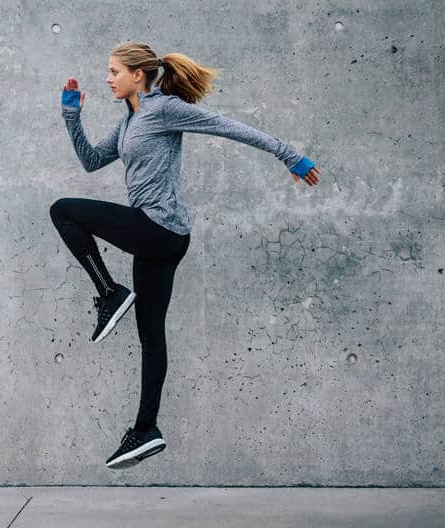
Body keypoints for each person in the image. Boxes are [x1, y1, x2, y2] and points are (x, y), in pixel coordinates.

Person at [50, 42, 321, 469]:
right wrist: (71, 116)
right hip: (160, 237)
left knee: (63, 210)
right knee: (150, 336)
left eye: (114, 71)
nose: (108, 78)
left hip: (158, 228)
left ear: (138, 75)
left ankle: (110, 294)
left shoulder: (163, 110)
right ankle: (146, 429)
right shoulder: (130, 123)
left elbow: (226, 126)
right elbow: (90, 161)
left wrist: (291, 156)